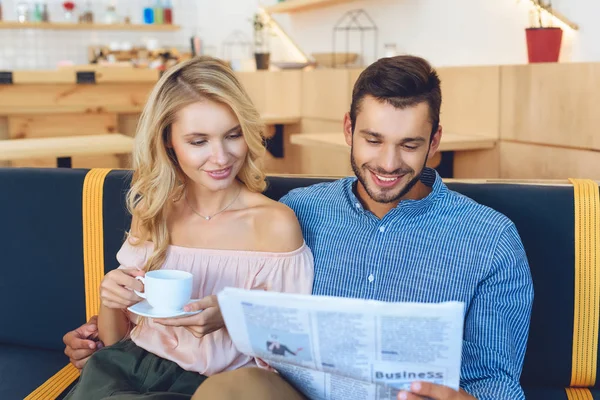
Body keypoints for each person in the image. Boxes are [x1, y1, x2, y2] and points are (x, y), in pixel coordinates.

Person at [64, 55, 533, 400]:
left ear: (435, 142)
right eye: (373, 140)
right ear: (348, 130)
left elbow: (498, 382)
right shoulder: (303, 210)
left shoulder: (489, 239)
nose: (388, 164)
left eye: (410, 144)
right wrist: (102, 330)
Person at [62, 56, 313, 400]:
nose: (221, 157)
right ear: (168, 141)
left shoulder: (275, 225)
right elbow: (116, 341)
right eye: (199, 141)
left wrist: (231, 316)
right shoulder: (152, 211)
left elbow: (294, 349)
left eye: (233, 135)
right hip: (126, 368)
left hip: (215, 385)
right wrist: (110, 297)